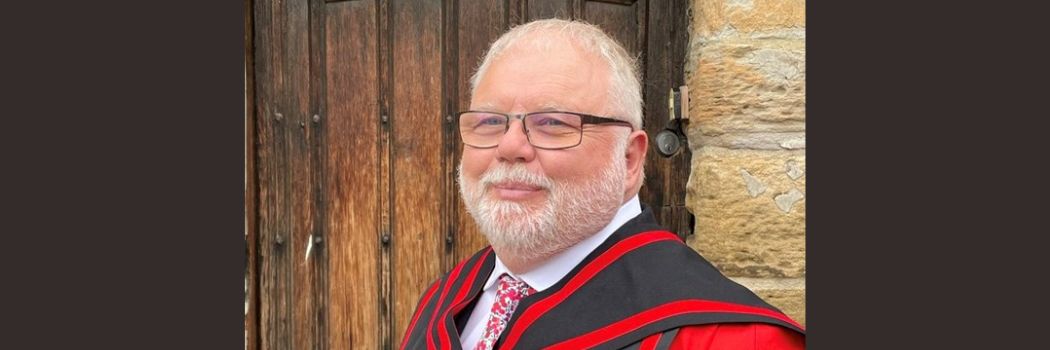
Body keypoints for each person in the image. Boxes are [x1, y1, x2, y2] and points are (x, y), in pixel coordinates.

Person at [399, 19, 805, 350]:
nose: (509, 147)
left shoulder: (732, 340)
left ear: (629, 159)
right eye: (489, 122)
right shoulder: (445, 301)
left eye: (553, 123)